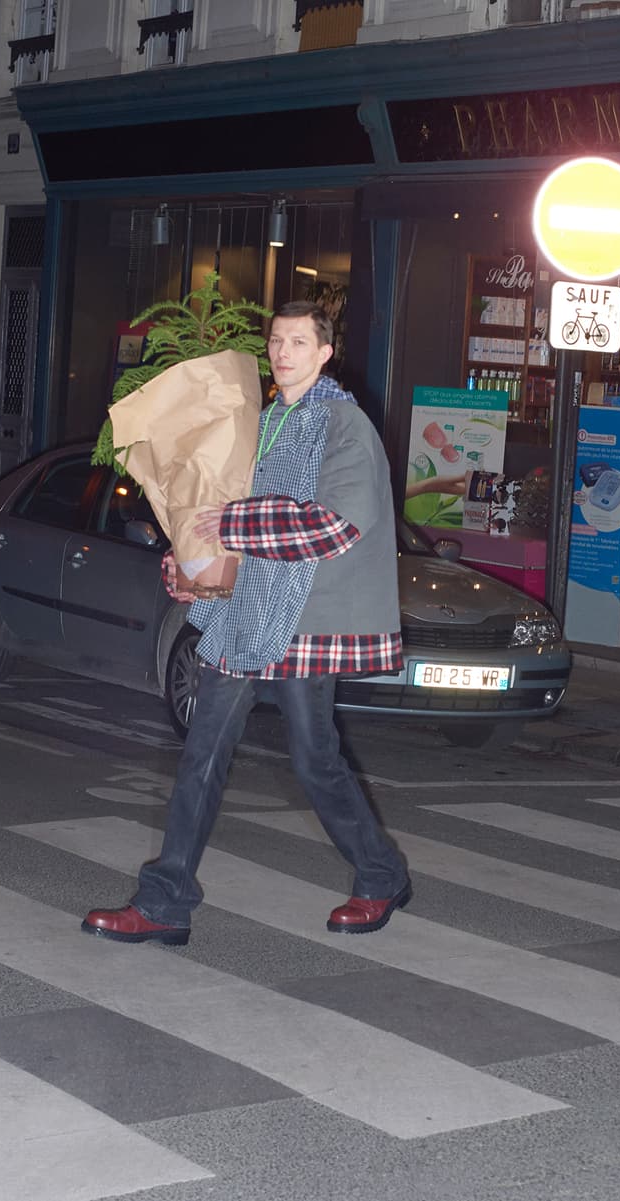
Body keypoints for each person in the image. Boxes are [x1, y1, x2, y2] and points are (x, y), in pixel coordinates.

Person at [82, 300, 410, 947]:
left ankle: (380, 872)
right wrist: (194, 563)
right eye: (276, 340)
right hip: (244, 614)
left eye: (297, 341)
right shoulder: (258, 424)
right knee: (201, 754)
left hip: (304, 619)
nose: (283, 351)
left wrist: (229, 527)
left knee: (314, 760)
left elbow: (336, 524)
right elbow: (216, 505)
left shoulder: (344, 425)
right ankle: (165, 901)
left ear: (324, 352)